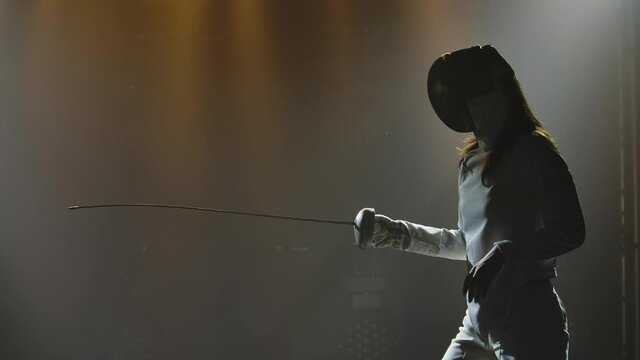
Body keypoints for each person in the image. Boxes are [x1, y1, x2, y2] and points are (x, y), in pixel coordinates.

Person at [353, 45, 585, 359]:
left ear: (501, 95)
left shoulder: (534, 151)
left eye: (478, 97)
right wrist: (395, 234)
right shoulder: (470, 163)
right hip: (479, 320)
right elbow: (467, 242)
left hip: (530, 321)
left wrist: (504, 254)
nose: (473, 108)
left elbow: (571, 229)